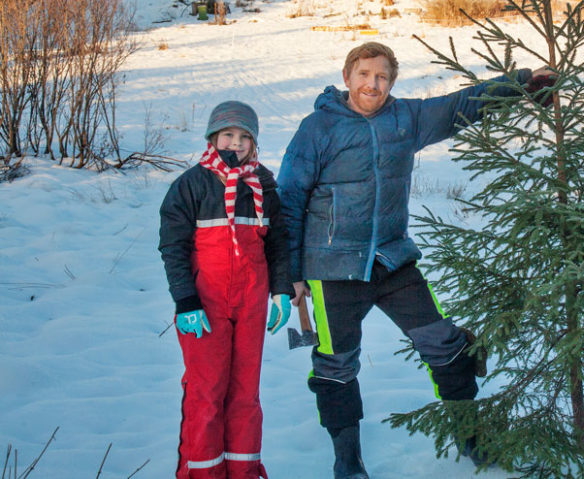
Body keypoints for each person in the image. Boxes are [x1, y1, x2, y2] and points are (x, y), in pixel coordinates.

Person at [277, 42, 555, 479]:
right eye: (365, 74)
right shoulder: (317, 129)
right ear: (347, 76)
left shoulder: (404, 118)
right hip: (332, 272)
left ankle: (474, 441)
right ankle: (347, 463)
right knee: (335, 366)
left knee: (446, 346)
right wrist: (290, 276)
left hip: (392, 262)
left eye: (383, 76)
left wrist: (521, 84)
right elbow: (289, 201)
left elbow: (460, 105)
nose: (373, 84)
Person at [159, 101, 294, 479]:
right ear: (213, 138)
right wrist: (185, 299)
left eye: (244, 137)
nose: (235, 144)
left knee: (245, 394)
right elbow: (173, 246)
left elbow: (278, 242)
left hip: (251, 303)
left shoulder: (263, 184)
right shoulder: (192, 184)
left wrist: (281, 290)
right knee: (207, 393)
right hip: (205, 305)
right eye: (228, 135)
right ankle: (202, 473)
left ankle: (244, 471)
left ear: (253, 144)